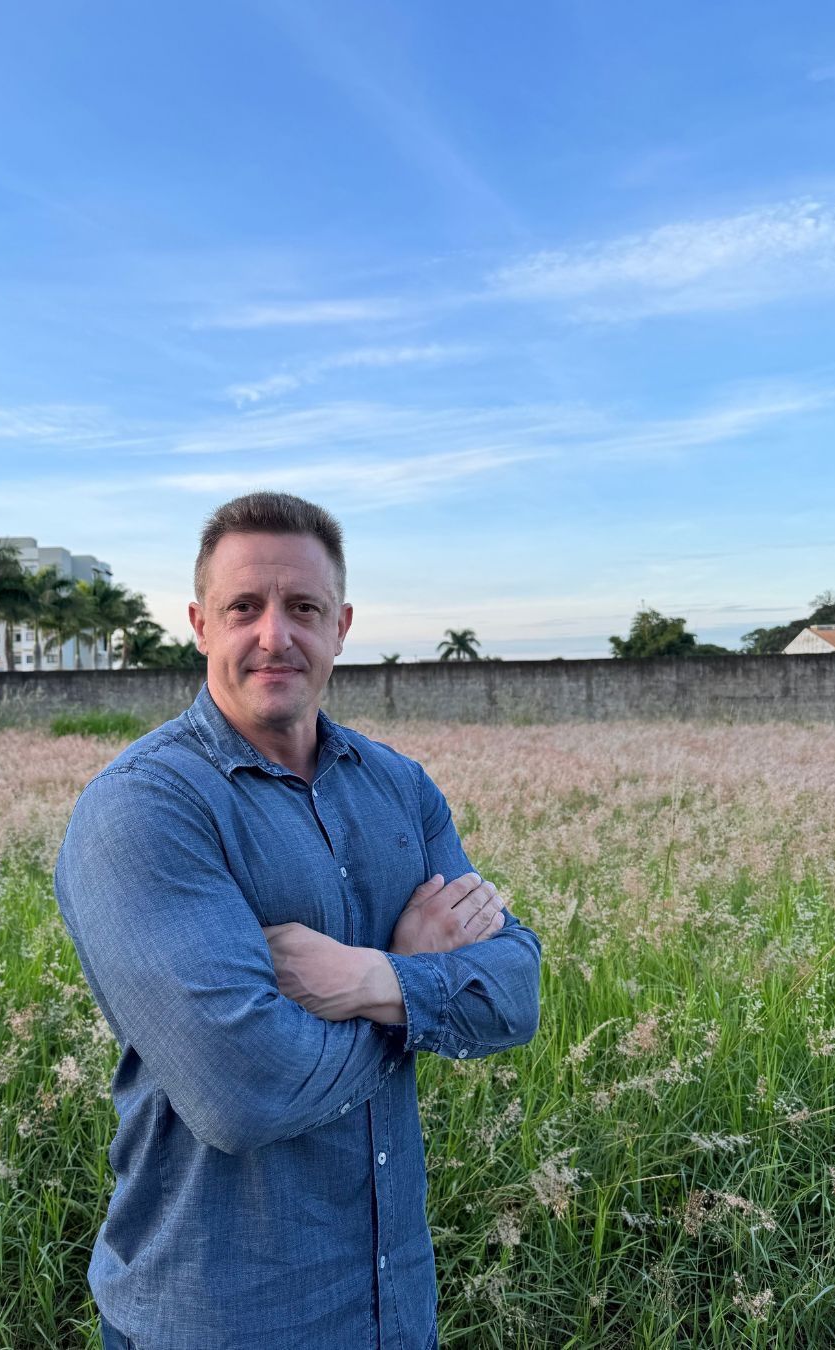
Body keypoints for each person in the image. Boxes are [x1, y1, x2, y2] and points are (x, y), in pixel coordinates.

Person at [54, 492, 542, 1350]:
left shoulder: (400, 788)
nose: (275, 635)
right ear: (200, 625)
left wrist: (373, 977)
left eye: (304, 608)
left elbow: (515, 993)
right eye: (244, 607)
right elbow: (241, 1091)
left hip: (393, 1307)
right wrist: (416, 999)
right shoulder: (145, 808)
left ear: (341, 626)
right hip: (219, 1320)